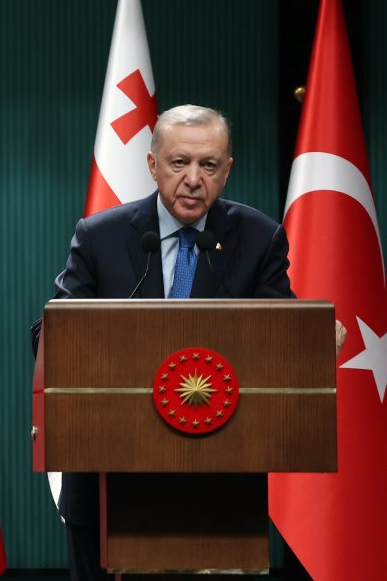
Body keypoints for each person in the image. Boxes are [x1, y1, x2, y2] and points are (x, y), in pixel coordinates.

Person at [38, 104, 301, 580]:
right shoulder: (101, 236)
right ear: (153, 164)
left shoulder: (259, 238)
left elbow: (280, 341)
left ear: (227, 171)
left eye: (209, 165)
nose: (194, 179)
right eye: (180, 163)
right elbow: (53, 336)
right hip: (107, 478)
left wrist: (314, 337)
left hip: (218, 489)